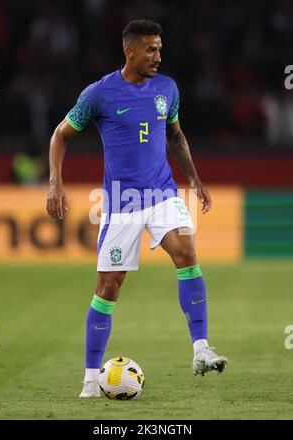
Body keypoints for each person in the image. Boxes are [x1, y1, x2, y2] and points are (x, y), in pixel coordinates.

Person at [46, 19, 228, 398]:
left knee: (188, 254)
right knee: (108, 288)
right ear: (130, 52)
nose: (158, 56)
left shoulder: (167, 89)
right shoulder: (99, 93)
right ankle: (90, 379)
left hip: (162, 194)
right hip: (122, 205)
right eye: (151, 50)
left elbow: (175, 137)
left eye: (160, 49)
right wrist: (54, 182)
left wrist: (194, 179)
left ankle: (200, 348)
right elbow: (60, 136)